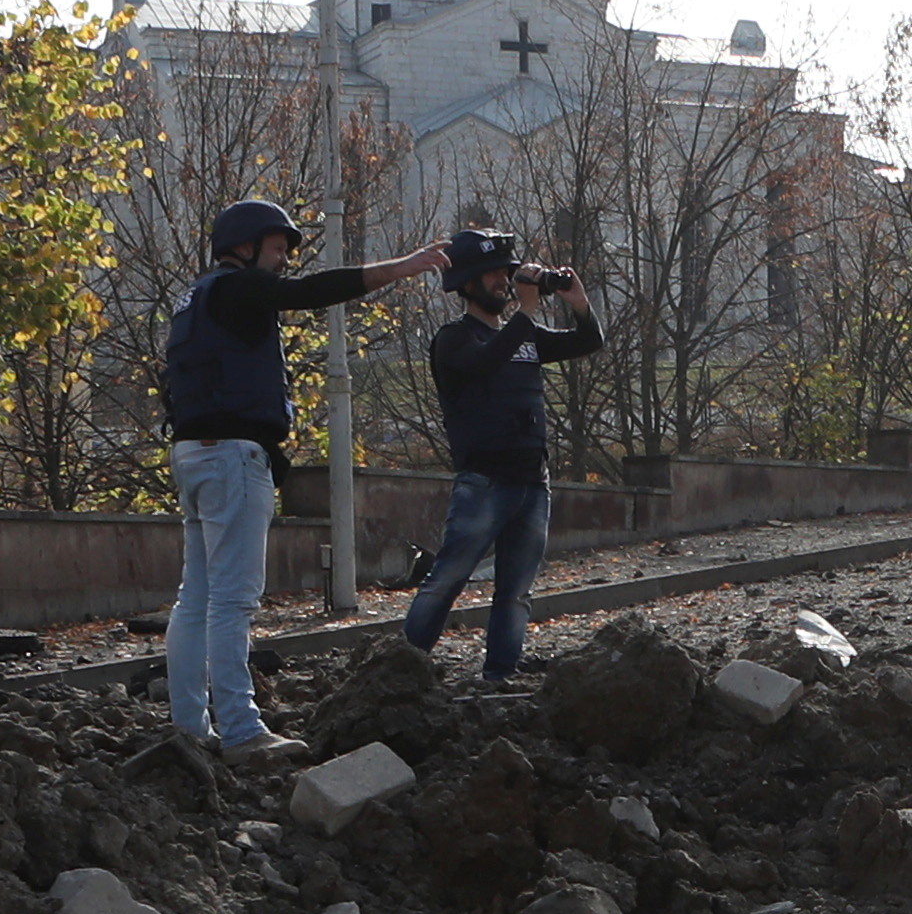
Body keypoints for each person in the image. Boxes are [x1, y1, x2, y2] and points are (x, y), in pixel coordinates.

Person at [154, 197, 441, 754]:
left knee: (196, 599)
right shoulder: (240, 288)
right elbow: (312, 292)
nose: (284, 260)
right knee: (233, 601)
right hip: (234, 456)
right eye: (278, 248)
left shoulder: (197, 298)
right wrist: (405, 265)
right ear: (245, 246)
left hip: (192, 453)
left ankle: (188, 728)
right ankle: (239, 728)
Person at [401, 230, 597, 686]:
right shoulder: (453, 339)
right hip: (484, 482)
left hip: (532, 482)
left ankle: (499, 675)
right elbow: (488, 361)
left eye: (504, 272)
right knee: (447, 579)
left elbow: (589, 341)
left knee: (516, 593)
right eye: (490, 273)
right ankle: (403, 668)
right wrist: (527, 311)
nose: (501, 281)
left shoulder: (523, 335)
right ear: (465, 283)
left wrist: (578, 302)